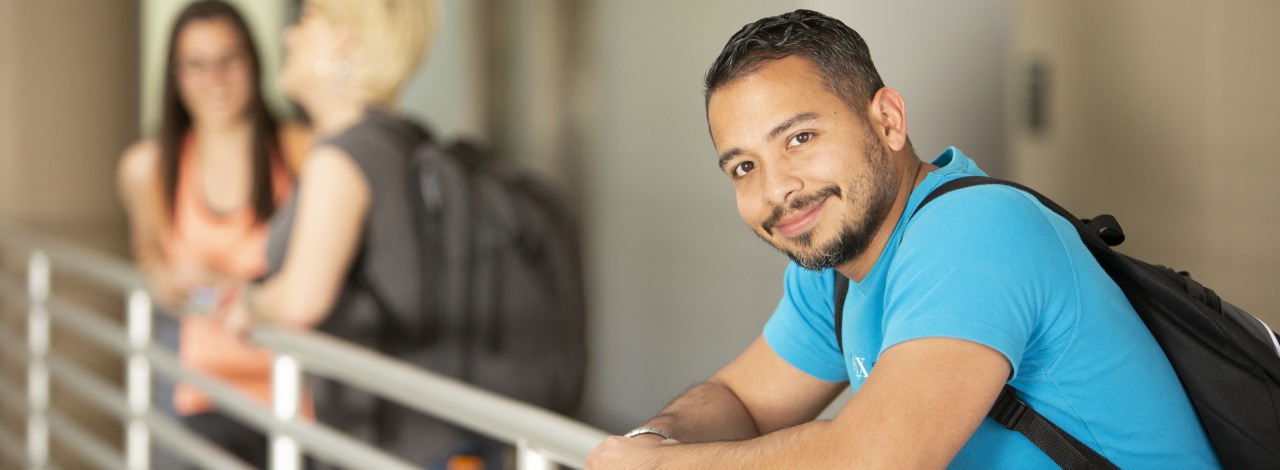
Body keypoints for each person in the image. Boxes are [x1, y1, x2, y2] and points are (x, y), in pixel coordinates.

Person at [586, 9, 1219, 469]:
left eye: (800, 138)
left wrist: (658, 469)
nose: (778, 189)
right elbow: (741, 402)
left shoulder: (976, 232)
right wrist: (656, 439)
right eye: (744, 166)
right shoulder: (831, 271)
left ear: (887, 120)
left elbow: (876, 460)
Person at [214, 1, 503, 467]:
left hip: (382, 446)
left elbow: (303, 299)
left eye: (306, 21)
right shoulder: (404, 139)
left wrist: (250, 305)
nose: (288, 37)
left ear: (343, 36)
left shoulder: (342, 157)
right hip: (439, 439)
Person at [115, 0, 311, 467]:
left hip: (292, 393)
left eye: (230, 60)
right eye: (196, 65)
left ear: (254, 61)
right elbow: (146, 243)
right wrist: (160, 271)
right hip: (200, 392)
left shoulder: (302, 152)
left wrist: (237, 289)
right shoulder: (147, 167)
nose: (215, 79)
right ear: (175, 76)